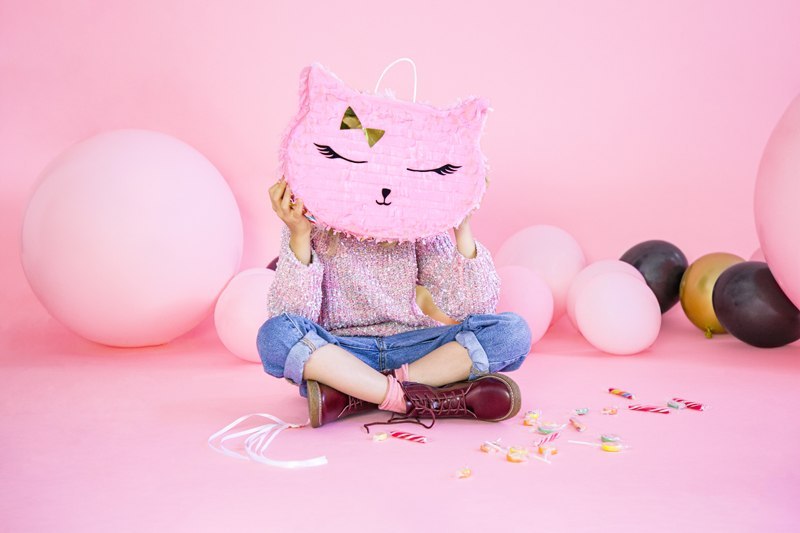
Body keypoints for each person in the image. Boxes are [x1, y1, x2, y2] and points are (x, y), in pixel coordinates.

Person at [257, 178, 532, 428]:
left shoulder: (418, 224)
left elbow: (474, 307)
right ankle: (412, 396)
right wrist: (300, 234)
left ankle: (357, 394)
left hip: (413, 347)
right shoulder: (310, 222)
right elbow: (293, 318)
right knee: (275, 336)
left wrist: (462, 226)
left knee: (512, 332)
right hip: (342, 350)